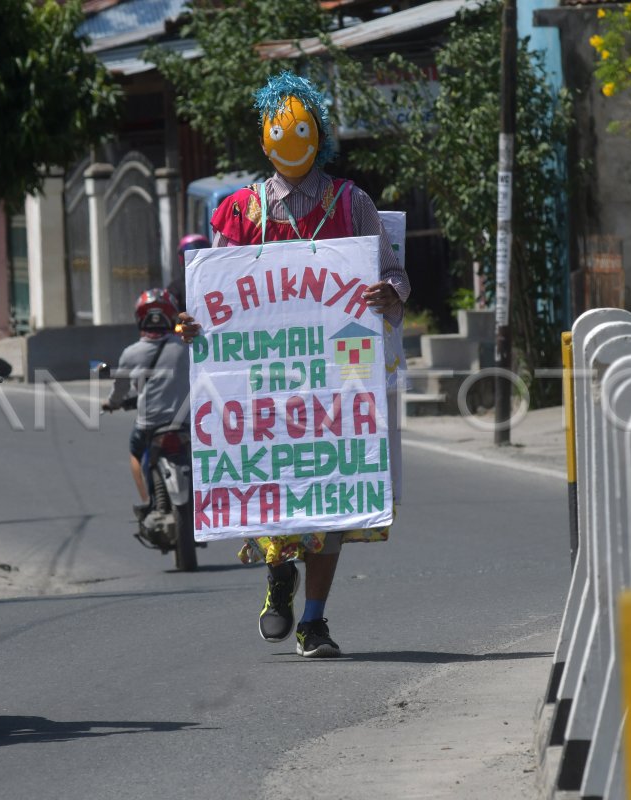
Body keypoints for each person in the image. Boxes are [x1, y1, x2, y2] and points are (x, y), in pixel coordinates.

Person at [176, 72, 410, 658]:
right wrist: (193, 323)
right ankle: (280, 578)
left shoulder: (352, 203)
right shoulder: (239, 211)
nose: (290, 136)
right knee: (273, 478)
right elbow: (216, 295)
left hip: (344, 367)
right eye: (279, 128)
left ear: (319, 134)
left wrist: (391, 294)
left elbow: (396, 274)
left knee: (337, 488)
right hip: (264, 376)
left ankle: (314, 619)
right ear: (264, 138)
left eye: (301, 127)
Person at [103, 288, 191, 514]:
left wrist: (112, 403)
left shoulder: (131, 353)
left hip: (149, 424)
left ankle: (147, 500)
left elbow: (119, 390)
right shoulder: (186, 346)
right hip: (186, 423)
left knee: (136, 449)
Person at [168, 233, 211, 313]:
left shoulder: (216, 281)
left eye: (202, 249)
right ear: (181, 256)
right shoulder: (175, 288)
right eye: (191, 251)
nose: (198, 256)